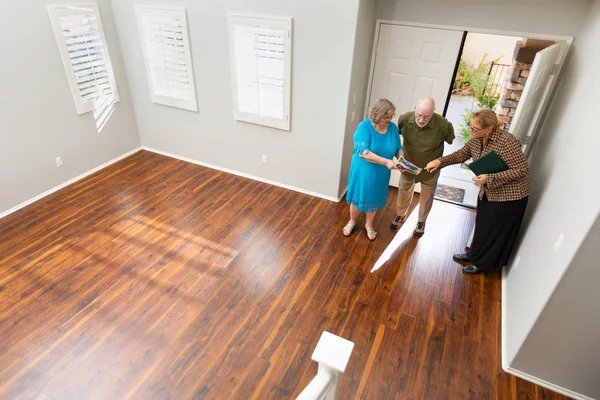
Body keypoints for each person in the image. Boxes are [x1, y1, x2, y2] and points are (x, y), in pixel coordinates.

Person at [425, 109, 529, 274]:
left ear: (489, 129)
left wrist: (489, 178)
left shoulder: (507, 142)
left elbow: (522, 169)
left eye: (475, 128)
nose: (471, 131)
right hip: (489, 191)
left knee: (492, 231)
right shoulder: (476, 139)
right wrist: (439, 161)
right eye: (471, 127)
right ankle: (474, 254)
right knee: (481, 225)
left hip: (509, 197)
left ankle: (482, 264)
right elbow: (461, 154)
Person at [391, 97, 455, 237]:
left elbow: (450, 140)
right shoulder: (404, 119)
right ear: (415, 108)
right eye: (419, 115)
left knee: (427, 196)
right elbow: (394, 138)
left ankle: (421, 221)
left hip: (430, 168)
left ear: (433, 112)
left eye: (426, 117)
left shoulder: (443, 124)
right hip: (408, 165)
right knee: (404, 190)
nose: (421, 120)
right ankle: (400, 214)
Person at [344, 98, 402, 240]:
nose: (390, 119)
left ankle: (369, 225)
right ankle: (352, 221)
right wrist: (387, 162)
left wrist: (401, 159)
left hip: (381, 172)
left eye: (391, 116)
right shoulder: (364, 127)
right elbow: (364, 152)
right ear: (377, 115)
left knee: (375, 198)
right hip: (363, 171)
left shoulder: (393, 128)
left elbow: (398, 148)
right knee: (359, 198)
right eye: (386, 117)